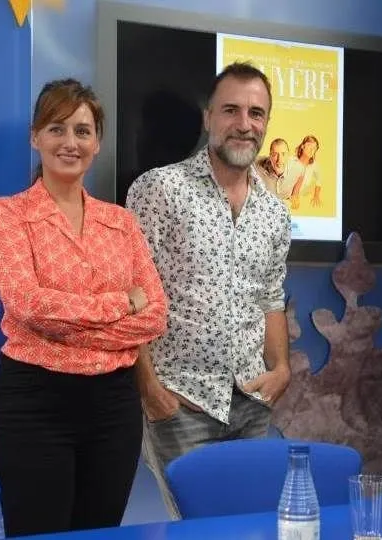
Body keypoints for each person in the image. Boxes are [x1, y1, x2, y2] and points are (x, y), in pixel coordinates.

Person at [0, 78, 168, 537]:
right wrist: (120, 303)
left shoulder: (121, 222)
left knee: (98, 532)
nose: (70, 142)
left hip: (113, 407)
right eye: (57, 128)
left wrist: (66, 326)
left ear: (97, 143)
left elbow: (156, 314)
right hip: (34, 403)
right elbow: (27, 305)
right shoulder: (7, 214)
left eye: (83, 131)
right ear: (36, 137)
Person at [124, 62, 292, 519]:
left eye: (256, 114)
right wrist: (149, 390)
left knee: (249, 528)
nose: (244, 124)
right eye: (231, 110)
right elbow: (130, 295)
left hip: (253, 404)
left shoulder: (275, 213)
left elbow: (271, 297)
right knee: (197, 530)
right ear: (208, 118)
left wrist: (281, 369)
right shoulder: (159, 189)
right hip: (181, 403)